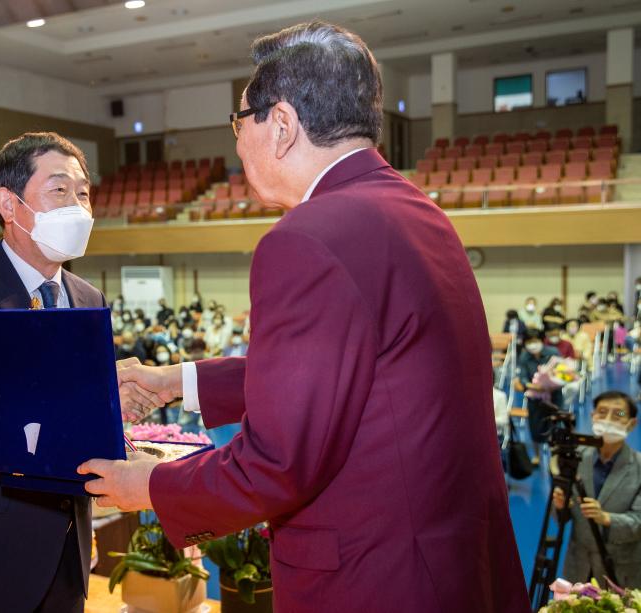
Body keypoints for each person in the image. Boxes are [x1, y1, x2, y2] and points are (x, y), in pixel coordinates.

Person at [79, 22, 529, 612]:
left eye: (240, 122)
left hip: (373, 578)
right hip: (441, 560)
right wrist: (176, 382)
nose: (238, 143)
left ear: (282, 124)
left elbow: (279, 462)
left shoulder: (308, 237)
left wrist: (147, 484)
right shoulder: (415, 209)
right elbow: (346, 377)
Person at [0, 132, 161, 612]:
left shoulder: (87, 297)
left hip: (65, 555)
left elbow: (77, 423)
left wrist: (114, 406)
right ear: (9, 204)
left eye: (83, 193)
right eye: (59, 190)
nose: (78, 206)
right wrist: (90, 392)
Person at [553, 391, 641, 588]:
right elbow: (563, 517)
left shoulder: (638, 467)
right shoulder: (575, 458)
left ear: (632, 423)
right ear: (593, 416)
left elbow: (639, 522)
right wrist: (560, 506)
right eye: (602, 412)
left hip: (620, 570)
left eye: (619, 414)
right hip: (578, 565)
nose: (608, 419)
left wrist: (606, 518)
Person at [514, 331, 561, 463]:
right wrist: (535, 387)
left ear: (541, 340)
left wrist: (552, 385)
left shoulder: (553, 352)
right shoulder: (524, 356)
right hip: (535, 397)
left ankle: (554, 459)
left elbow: (563, 373)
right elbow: (522, 378)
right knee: (535, 427)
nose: (532, 345)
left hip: (554, 395)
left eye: (535, 341)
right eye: (529, 342)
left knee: (556, 426)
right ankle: (537, 455)